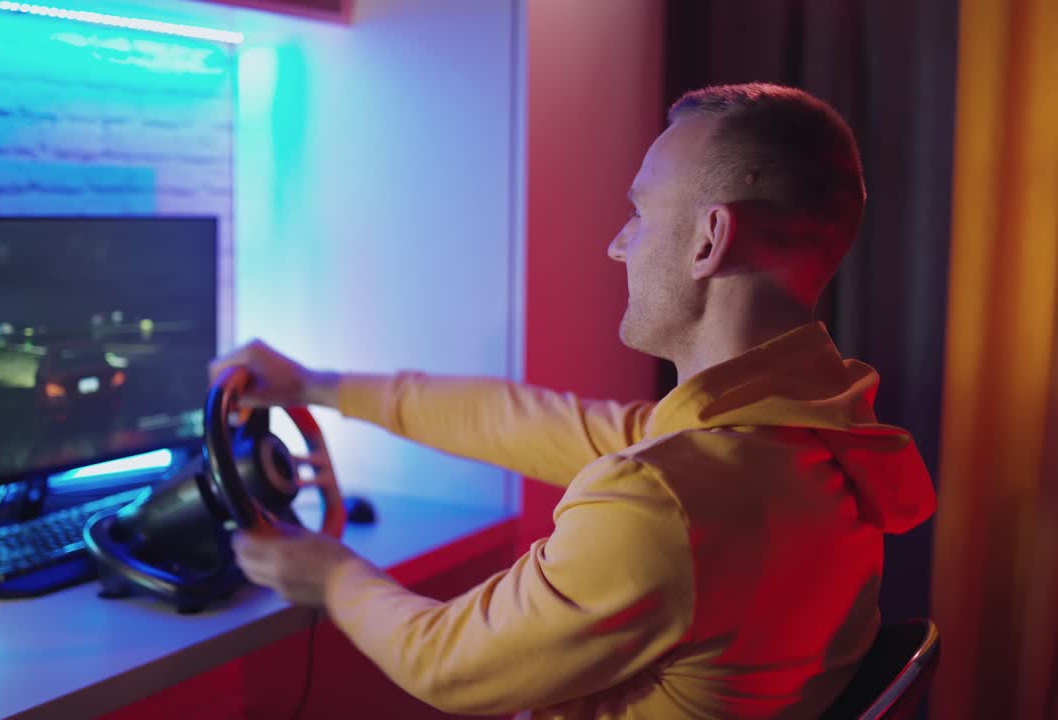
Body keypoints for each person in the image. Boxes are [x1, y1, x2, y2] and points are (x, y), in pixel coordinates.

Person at [210, 83, 936, 719]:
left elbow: (444, 664)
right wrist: (316, 386)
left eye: (640, 213)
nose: (618, 246)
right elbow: (530, 423)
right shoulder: (804, 433)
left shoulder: (668, 500)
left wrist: (331, 575)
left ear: (708, 240)